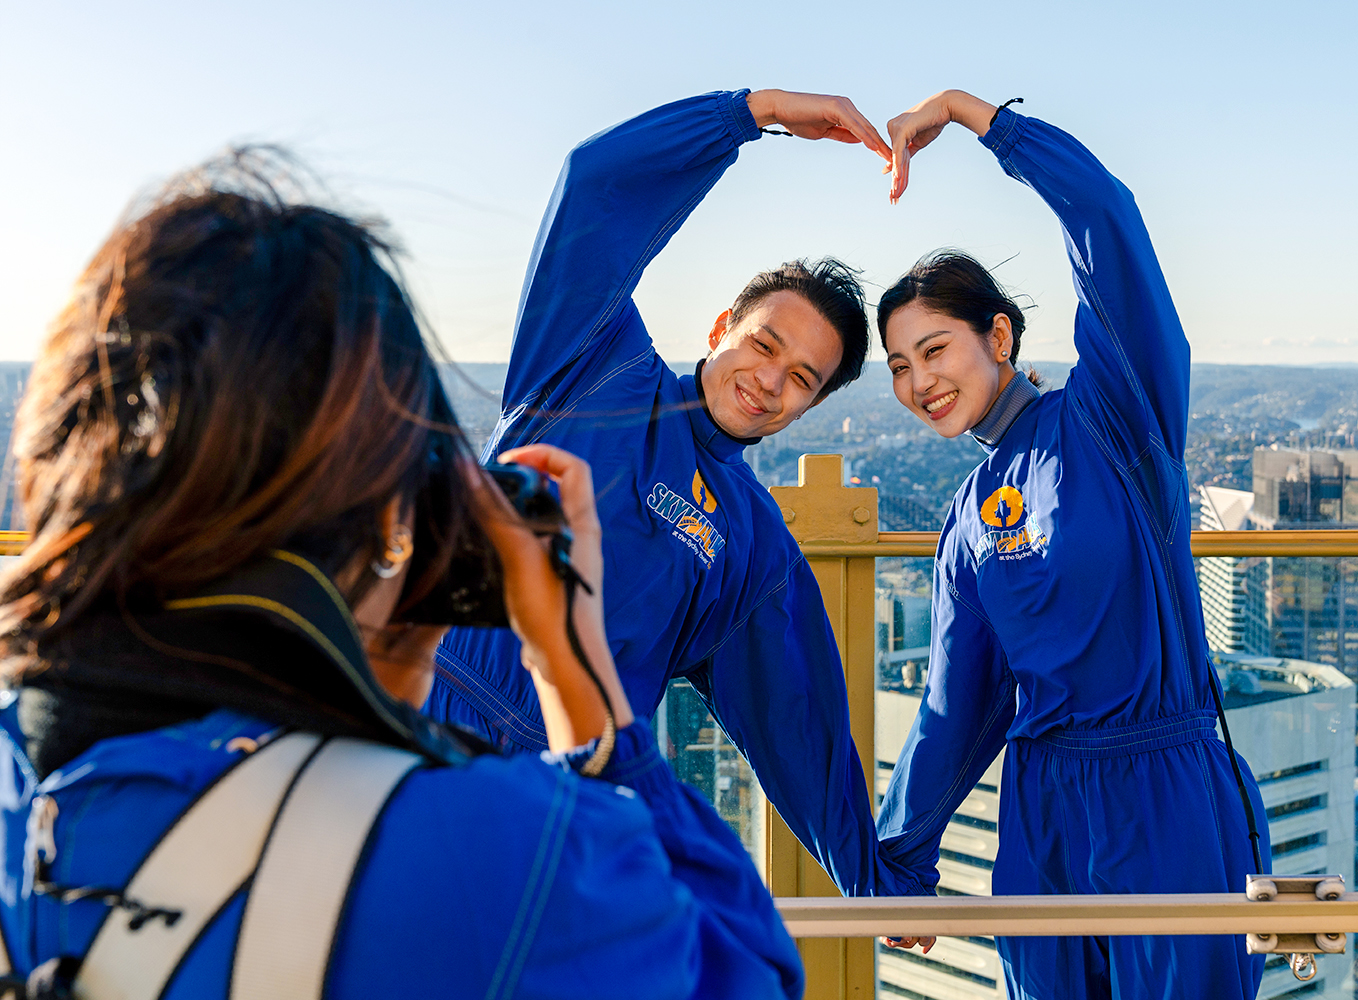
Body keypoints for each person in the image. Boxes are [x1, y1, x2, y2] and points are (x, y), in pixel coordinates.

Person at [0, 155, 803, 999]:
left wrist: (371, 687)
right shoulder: (483, 851)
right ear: (384, 509)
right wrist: (576, 668)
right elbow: (739, 973)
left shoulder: (24, 765)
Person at [425, 89, 923, 896]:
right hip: (414, 715)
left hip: (557, 803)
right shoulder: (592, 362)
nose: (767, 381)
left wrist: (871, 883)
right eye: (763, 343)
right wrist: (750, 112)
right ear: (722, 322)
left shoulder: (751, 543)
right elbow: (593, 188)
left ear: (815, 405)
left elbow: (801, 726)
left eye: (801, 378)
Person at [870, 91, 1270, 999]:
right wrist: (900, 861)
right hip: (1042, 815)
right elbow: (955, 704)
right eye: (898, 366)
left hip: (1164, 793)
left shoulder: (1112, 421)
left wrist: (982, 120)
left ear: (999, 335)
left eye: (934, 349)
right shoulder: (967, 516)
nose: (919, 381)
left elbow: (1106, 218)